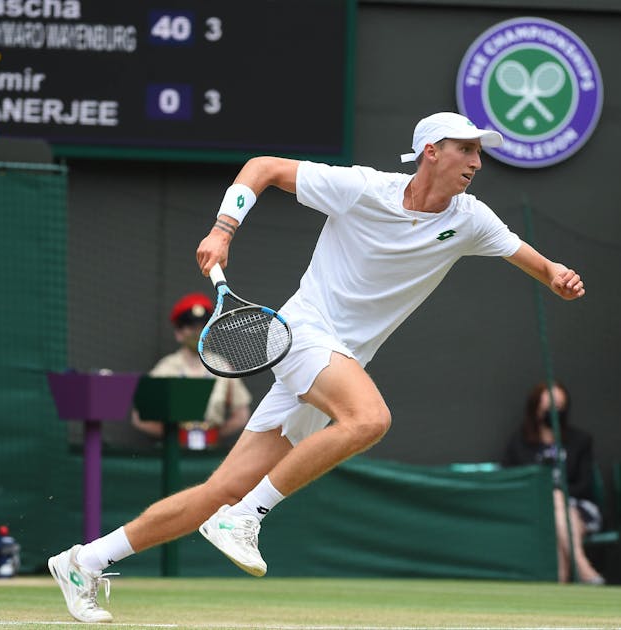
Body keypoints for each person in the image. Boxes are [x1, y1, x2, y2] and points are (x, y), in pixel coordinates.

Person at [49, 111, 585, 622]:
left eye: (479, 152)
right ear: (431, 152)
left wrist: (558, 276)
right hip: (305, 332)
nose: (476, 161)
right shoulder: (362, 188)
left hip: (340, 357)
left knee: (221, 489)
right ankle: (246, 518)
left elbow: (533, 261)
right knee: (369, 419)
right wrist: (222, 229)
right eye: (466, 149)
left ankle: (85, 561)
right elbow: (263, 167)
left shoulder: (471, 219)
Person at [502, 380, 605, 585]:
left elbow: (585, 485)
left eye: (559, 408)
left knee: (557, 502)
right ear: (536, 410)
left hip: (579, 508)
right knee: (555, 512)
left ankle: (566, 579)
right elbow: (512, 482)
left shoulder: (580, 441)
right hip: (536, 512)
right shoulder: (520, 444)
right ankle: (583, 569)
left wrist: (558, 495)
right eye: (549, 408)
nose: (554, 414)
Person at [130, 292, 253, 447]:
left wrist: (215, 434)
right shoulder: (166, 368)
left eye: (202, 326)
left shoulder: (221, 366)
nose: (197, 332)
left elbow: (241, 414)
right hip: (174, 449)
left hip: (211, 449)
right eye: (191, 326)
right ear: (179, 333)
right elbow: (139, 416)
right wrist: (171, 434)